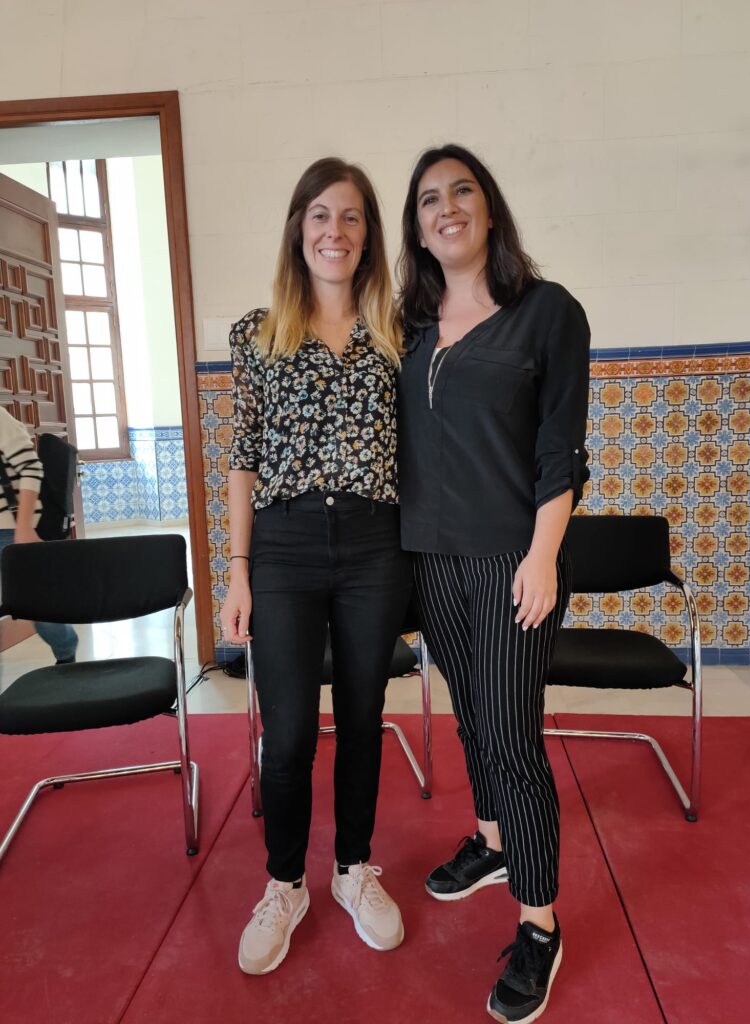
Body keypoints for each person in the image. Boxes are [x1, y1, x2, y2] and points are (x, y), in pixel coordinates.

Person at [396, 144, 590, 1024]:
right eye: (429, 199)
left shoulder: (547, 312)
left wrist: (544, 554)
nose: (447, 208)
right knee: (472, 719)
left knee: (512, 739)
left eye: (461, 190)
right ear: (417, 228)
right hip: (431, 560)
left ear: (489, 206)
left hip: (515, 561)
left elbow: (561, 448)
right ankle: (492, 839)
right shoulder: (412, 327)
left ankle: (540, 923)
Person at [221, 157, 413, 976]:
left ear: (368, 236)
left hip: (375, 544)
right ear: (299, 229)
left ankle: (353, 869)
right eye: (321, 215)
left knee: (364, 717)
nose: (336, 231)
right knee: (291, 730)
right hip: (285, 545)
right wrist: (237, 570)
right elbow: (243, 459)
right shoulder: (257, 334)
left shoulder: (399, 336)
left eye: (352, 217)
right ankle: (286, 883)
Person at [0, 407, 78, 664]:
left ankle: (66, 654)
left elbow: (31, 467)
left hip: (9, 531)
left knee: (38, 606)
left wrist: (23, 527)